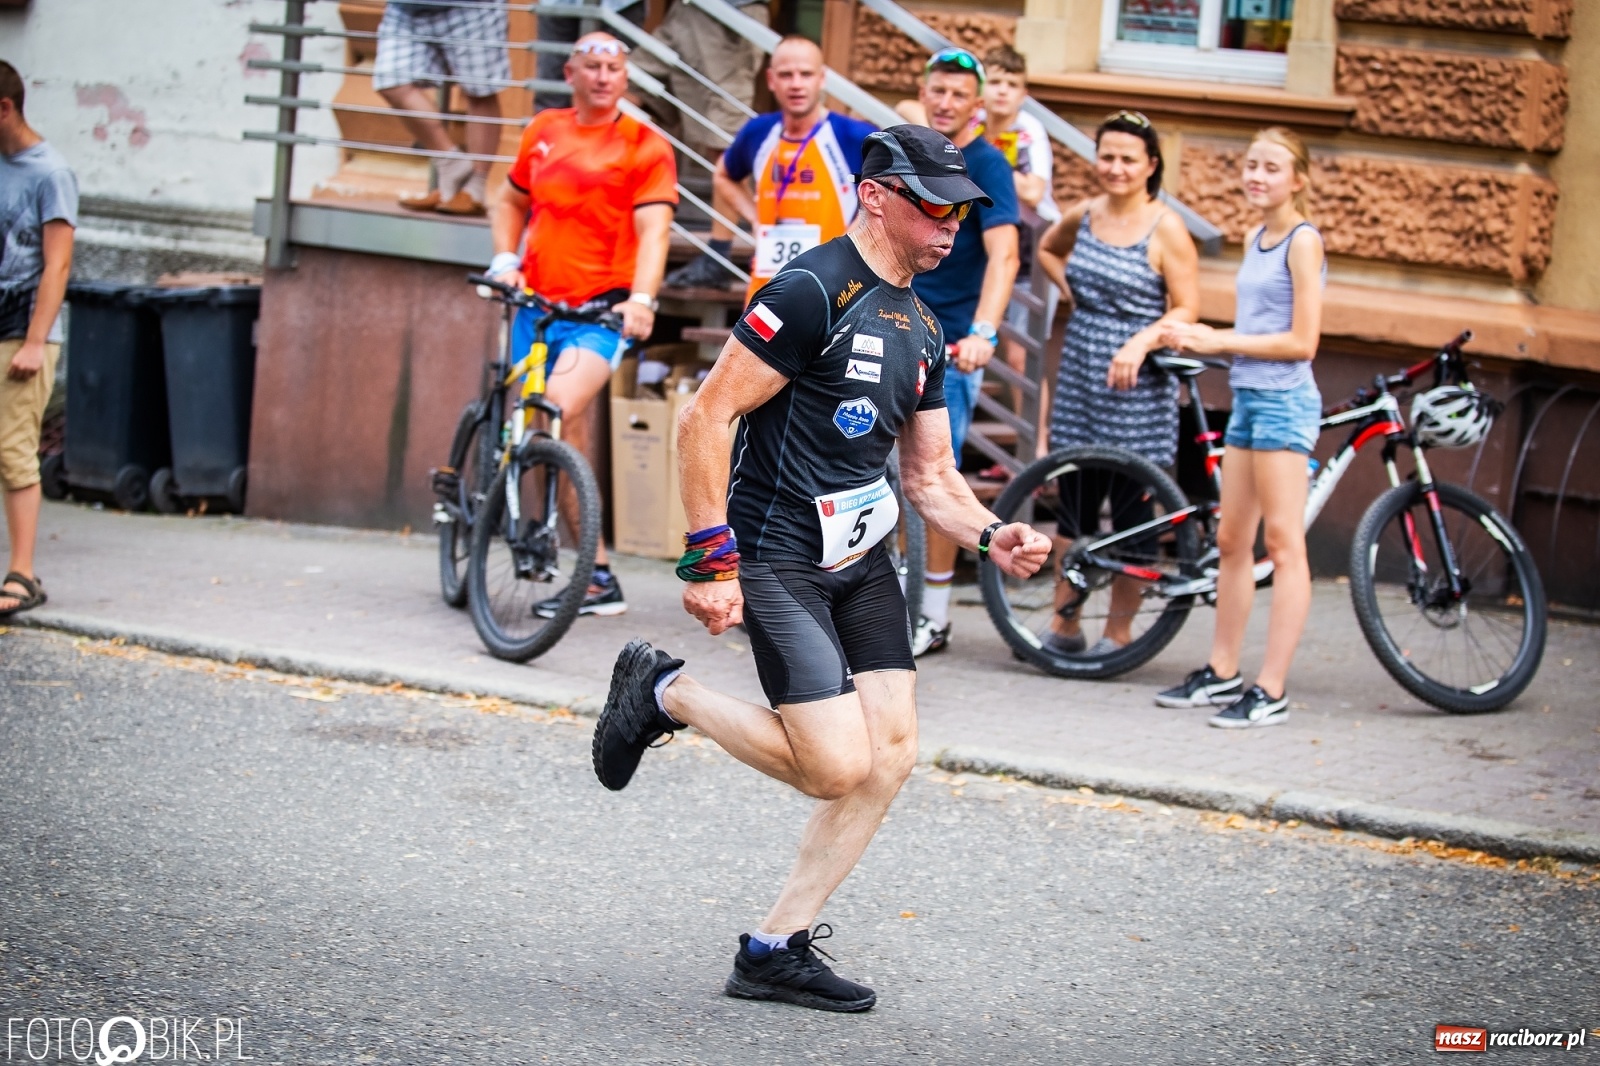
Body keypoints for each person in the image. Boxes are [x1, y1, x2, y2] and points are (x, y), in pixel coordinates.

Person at [590, 125, 1051, 1011]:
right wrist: (709, 558)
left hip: (863, 558)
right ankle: (663, 694)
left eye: (962, 207)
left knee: (892, 754)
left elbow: (929, 477)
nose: (952, 222)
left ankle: (773, 947)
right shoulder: (809, 292)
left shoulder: (923, 323)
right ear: (876, 194)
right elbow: (704, 417)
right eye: (934, 202)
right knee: (836, 765)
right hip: (779, 555)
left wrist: (995, 535)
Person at [488, 32, 677, 618]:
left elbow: (655, 232)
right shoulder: (544, 129)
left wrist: (642, 298)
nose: (602, 76)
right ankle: (591, 572)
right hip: (535, 304)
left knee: (556, 410)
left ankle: (580, 564)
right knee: (549, 431)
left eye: (613, 67)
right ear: (570, 72)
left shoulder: (644, 144)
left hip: (601, 312)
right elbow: (509, 199)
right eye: (591, 66)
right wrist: (505, 260)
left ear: (625, 77)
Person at [1158, 127, 1324, 728]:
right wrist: (1208, 343)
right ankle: (1222, 670)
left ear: (1297, 179)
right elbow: (1263, 331)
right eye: (1252, 165)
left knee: (1283, 547)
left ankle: (1271, 688)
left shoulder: (1302, 242)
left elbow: (1303, 342)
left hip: (1284, 406)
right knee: (1232, 542)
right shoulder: (1259, 237)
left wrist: (1218, 338)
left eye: (1272, 168)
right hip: (1250, 399)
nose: (1257, 175)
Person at [1034, 110, 1199, 656]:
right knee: (1075, 506)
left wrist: (1140, 341)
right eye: (1108, 156)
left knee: (1132, 516)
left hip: (1138, 386)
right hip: (1082, 372)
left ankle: (1120, 632)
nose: (1117, 167)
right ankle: (1065, 624)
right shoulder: (1083, 215)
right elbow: (1047, 250)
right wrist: (1078, 298)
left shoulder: (1166, 226)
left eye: (1129, 158)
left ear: (1151, 165)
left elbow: (1189, 306)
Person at [903, 48, 1020, 658]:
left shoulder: (988, 165)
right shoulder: (912, 158)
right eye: (937, 91)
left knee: (933, 478)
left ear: (978, 105)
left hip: (948, 347)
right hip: (891, 334)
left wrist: (986, 331)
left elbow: (1006, 256)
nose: (945, 102)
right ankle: (887, 602)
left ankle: (934, 616)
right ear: (924, 93)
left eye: (958, 94)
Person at [667, 36, 876, 300]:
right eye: (786, 75)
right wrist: (755, 218)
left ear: (821, 79)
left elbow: (888, 190)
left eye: (806, 74)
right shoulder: (759, 132)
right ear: (771, 80)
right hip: (766, 287)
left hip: (832, 288)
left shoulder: (853, 136)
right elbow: (723, 175)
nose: (796, 84)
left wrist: (852, 239)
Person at [0, 62, 76, 620]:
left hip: (23, 332)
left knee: (12, 451)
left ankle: (22, 575)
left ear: (5, 109)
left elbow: (58, 263)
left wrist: (34, 341)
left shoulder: (51, 172)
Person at [976, 44, 1061, 478]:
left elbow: (1033, 191)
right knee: (985, 345)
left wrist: (990, 166)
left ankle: (1036, 449)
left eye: (1011, 84)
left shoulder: (1029, 132)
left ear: (1023, 93)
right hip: (984, 244)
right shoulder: (972, 123)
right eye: (994, 81)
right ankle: (1011, 454)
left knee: (1020, 356)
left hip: (1029, 249)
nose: (1001, 92)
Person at [373, 0, 511, 216]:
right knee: (390, 81)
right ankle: (449, 164)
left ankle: (474, 190)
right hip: (405, 8)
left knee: (479, 90)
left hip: (471, 8)